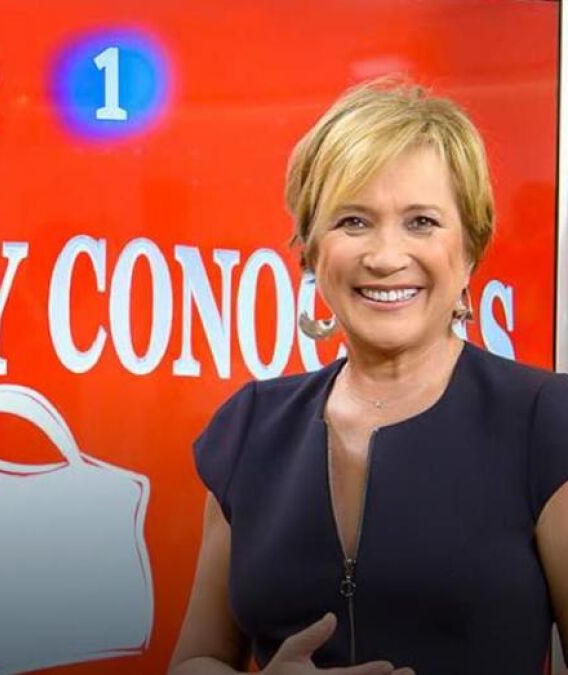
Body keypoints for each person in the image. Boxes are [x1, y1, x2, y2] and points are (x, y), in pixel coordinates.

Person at [169, 78, 568, 675]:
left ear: (469, 250)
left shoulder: (546, 420)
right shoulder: (250, 427)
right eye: (353, 221)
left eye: (421, 222)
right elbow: (197, 659)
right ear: (311, 249)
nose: (384, 257)